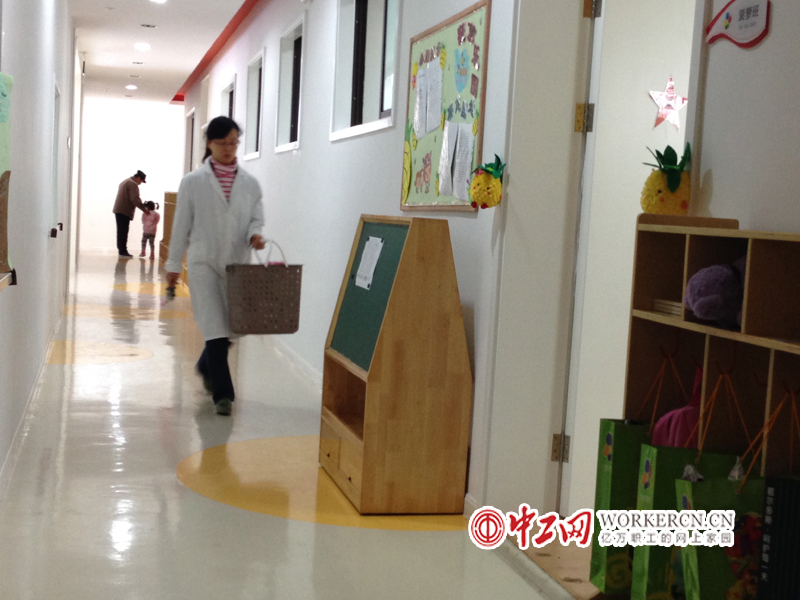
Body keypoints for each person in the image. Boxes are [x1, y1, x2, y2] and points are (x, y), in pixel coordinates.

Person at [166, 117, 266, 416]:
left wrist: (255, 235)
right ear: (209, 143)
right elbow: (181, 226)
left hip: (236, 265)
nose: (228, 148)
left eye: (233, 142)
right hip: (203, 264)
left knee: (232, 330)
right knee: (215, 329)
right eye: (222, 143)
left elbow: (256, 217)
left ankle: (204, 365)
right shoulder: (193, 182)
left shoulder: (250, 184)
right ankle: (224, 395)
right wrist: (173, 265)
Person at [113, 169, 150, 258]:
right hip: (124, 210)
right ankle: (123, 251)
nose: (140, 183)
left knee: (120, 231)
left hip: (119, 209)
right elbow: (135, 199)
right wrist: (144, 209)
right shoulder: (132, 184)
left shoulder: (125, 181)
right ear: (138, 178)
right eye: (141, 181)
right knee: (123, 231)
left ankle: (121, 250)